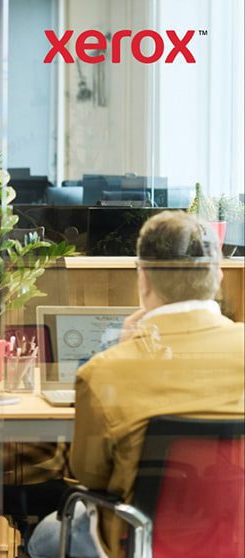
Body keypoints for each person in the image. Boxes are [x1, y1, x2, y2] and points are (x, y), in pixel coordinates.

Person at [27, 211, 245, 558]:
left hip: (137, 543)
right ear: (217, 276)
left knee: (46, 536)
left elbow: (88, 476)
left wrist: (122, 350)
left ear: (143, 278)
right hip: (234, 538)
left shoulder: (104, 372)